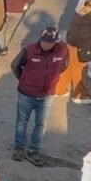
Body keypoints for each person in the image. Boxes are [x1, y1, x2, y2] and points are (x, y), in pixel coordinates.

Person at [10, 28, 69, 165]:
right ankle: (19, 148)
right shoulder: (29, 50)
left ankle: (34, 150)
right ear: (40, 38)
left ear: (56, 41)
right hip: (27, 93)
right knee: (21, 122)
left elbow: (65, 65)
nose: (46, 44)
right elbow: (15, 65)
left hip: (47, 95)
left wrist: (53, 77)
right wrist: (24, 80)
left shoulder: (63, 50)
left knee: (41, 124)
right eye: (44, 41)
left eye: (50, 42)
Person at [60, 0, 91, 102]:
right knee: (80, 72)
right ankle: (80, 96)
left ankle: (59, 90)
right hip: (81, 48)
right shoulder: (89, 18)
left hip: (72, 45)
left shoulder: (82, 14)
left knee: (67, 69)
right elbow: (84, 35)